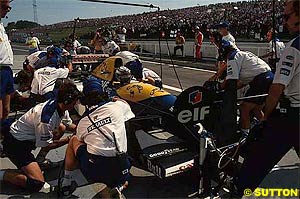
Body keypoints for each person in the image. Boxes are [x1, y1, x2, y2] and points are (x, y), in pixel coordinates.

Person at [235, 0, 299, 195]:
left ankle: (239, 192)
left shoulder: (294, 47)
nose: (284, 21)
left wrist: (265, 116)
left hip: (289, 116)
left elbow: (277, 87)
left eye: (287, 16)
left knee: (255, 163)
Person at [58, 76, 135, 197]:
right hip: (121, 165)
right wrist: (115, 100)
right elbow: (126, 106)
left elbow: (81, 138)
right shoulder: (118, 107)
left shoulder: (84, 122)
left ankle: (66, 182)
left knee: (74, 140)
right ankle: (118, 185)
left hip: (96, 170)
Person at [0, 79, 81, 193]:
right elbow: (48, 144)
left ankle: (40, 160)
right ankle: (3, 174)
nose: (76, 104)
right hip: (16, 144)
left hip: (29, 138)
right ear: (67, 102)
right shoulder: (46, 119)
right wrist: (69, 139)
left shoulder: (60, 105)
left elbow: (69, 125)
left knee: (62, 127)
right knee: (36, 183)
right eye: (75, 102)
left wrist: (82, 130)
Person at [219, 40, 273, 136]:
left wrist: (218, 87)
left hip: (261, 79)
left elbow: (231, 81)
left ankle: (245, 135)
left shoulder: (233, 57)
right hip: (268, 77)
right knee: (256, 109)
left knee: (244, 108)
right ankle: (266, 131)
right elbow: (242, 83)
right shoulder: (243, 54)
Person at [0, 0, 13, 123]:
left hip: (7, 69)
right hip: (0, 69)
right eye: (5, 7)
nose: (8, 10)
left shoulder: (1, 25)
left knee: (6, 110)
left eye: (9, 7)